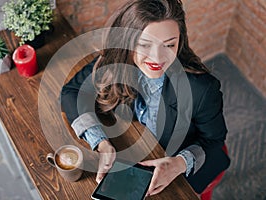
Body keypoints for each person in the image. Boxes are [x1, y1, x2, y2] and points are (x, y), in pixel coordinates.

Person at [61, 0, 230, 197]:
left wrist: (179, 163)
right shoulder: (115, 61)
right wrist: (101, 143)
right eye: (145, 45)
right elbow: (71, 91)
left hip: (183, 166)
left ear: (180, 41)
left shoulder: (202, 89)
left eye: (169, 45)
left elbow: (214, 140)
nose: (157, 58)